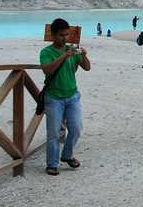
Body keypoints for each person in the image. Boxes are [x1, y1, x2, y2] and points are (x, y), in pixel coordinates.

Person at [40, 18, 91, 176]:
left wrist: (84, 55)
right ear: (53, 35)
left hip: (72, 96)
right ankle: (52, 164)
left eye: (67, 35)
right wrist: (64, 56)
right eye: (62, 35)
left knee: (76, 128)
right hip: (54, 97)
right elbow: (47, 70)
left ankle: (67, 155)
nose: (65, 38)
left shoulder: (72, 49)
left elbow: (87, 68)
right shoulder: (46, 52)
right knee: (54, 132)